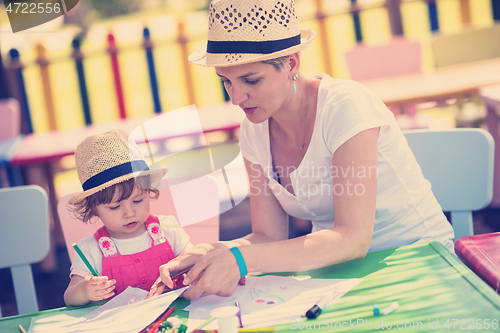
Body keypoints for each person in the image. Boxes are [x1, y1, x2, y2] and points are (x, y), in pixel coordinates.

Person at [150, 0, 454, 300]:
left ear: (292, 63)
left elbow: (353, 239)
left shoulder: (345, 107)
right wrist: (209, 253)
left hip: (418, 261)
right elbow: (268, 237)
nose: (236, 97)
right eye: (226, 82)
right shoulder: (254, 129)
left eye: (251, 80)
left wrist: (240, 260)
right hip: (337, 276)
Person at [64, 129, 193, 306]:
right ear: (94, 208)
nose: (129, 213)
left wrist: (189, 270)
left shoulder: (168, 229)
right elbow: (69, 297)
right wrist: (84, 291)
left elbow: (194, 259)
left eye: (138, 200)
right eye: (115, 207)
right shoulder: (90, 249)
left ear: (148, 191)